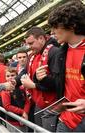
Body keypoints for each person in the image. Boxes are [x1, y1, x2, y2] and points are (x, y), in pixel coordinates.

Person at [36, 0, 85, 132]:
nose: (52, 32)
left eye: (55, 27)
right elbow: (60, 83)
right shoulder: (61, 53)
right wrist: (44, 78)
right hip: (65, 119)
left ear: (72, 25)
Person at [20, 26, 59, 131]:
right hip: (38, 102)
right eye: (28, 44)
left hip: (51, 105)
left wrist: (34, 85)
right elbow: (25, 72)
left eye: (31, 43)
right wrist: (16, 80)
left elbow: (58, 84)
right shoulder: (34, 55)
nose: (29, 47)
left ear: (41, 38)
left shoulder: (54, 52)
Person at [1, 67, 30, 132]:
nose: (10, 77)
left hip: (24, 119)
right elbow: (7, 106)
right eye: (8, 76)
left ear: (17, 76)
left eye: (12, 75)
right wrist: (22, 112)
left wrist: (25, 113)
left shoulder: (22, 87)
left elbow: (27, 101)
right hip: (13, 122)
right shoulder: (5, 90)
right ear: (5, 77)